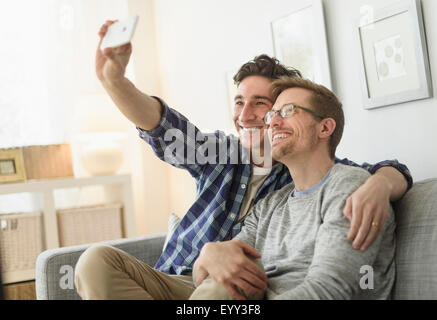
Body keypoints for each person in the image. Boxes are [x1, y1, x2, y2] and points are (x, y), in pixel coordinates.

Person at [73, 21, 411, 300]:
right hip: (175, 280)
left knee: (222, 288)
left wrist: (380, 183)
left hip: (226, 291)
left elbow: (378, 173)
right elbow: (163, 128)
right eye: (238, 102)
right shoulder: (221, 154)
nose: (246, 115)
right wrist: (114, 81)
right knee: (94, 261)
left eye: (264, 105)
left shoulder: (316, 176)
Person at [190, 77, 396, 300]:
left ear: (325, 128)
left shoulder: (349, 186)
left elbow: (330, 290)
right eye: (271, 115)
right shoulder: (268, 205)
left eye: (288, 111)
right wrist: (208, 254)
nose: (273, 123)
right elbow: (220, 271)